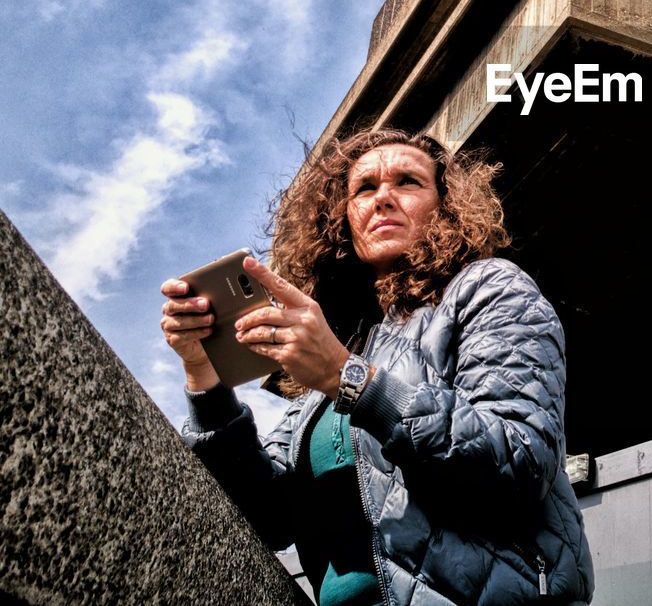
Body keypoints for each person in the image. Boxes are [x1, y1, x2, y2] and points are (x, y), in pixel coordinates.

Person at [159, 128, 594, 605]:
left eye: (407, 181)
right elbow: (267, 518)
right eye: (364, 188)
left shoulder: (491, 288)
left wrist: (346, 379)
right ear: (343, 220)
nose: (383, 197)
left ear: (445, 206)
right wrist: (206, 379)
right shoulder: (345, 344)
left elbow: (520, 460)